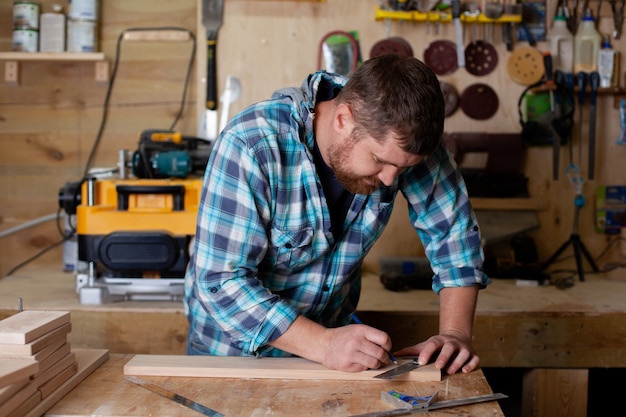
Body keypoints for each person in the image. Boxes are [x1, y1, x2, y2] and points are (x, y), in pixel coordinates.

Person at [184, 54, 490, 375]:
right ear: (343, 119)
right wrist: (322, 344)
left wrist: (455, 334)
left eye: (402, 169)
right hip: (231, 360)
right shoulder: (251, 144)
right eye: (379, 160)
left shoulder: (403, 141)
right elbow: (221, 282)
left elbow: (454, 234)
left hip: (332, 359)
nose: (390, 179)